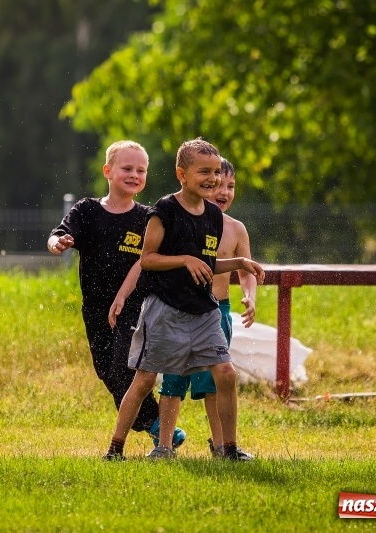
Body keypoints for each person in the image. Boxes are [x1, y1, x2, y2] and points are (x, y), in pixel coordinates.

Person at [103, 138, 264, 461]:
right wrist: (184, 260)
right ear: (182, 174)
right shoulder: (164, 210)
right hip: (165, 309)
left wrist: (239, 264)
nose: (213, 179)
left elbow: (206, 263)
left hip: (204, 311)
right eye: (204, 171)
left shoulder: (214, 218)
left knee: (226, 374)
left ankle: (228, 450)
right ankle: (115, 448)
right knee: (146, 378)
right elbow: (148, 259)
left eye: (217, 172)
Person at [47, 140, 185, 447]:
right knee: (106, 370)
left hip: (137, 306)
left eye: (141, 170)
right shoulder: (88, 210)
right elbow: (58, 233)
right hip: (95, 307)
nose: (134, 174)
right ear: (108, 171)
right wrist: (58, 243)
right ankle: (151, 421)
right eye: (127, 168)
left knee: (125, 367)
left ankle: (157, 427)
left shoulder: (149, 217)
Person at [155, 157, 259, 458]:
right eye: (218, 184)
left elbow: (247, 270)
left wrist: (250, 297)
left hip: (218, 311)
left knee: (216, 381)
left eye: (231, 186)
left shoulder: (236, 229)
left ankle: (222, 445)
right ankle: (163, 445)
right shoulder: (185, 222)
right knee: (173, 380)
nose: (223, 191)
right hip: (180, 309)